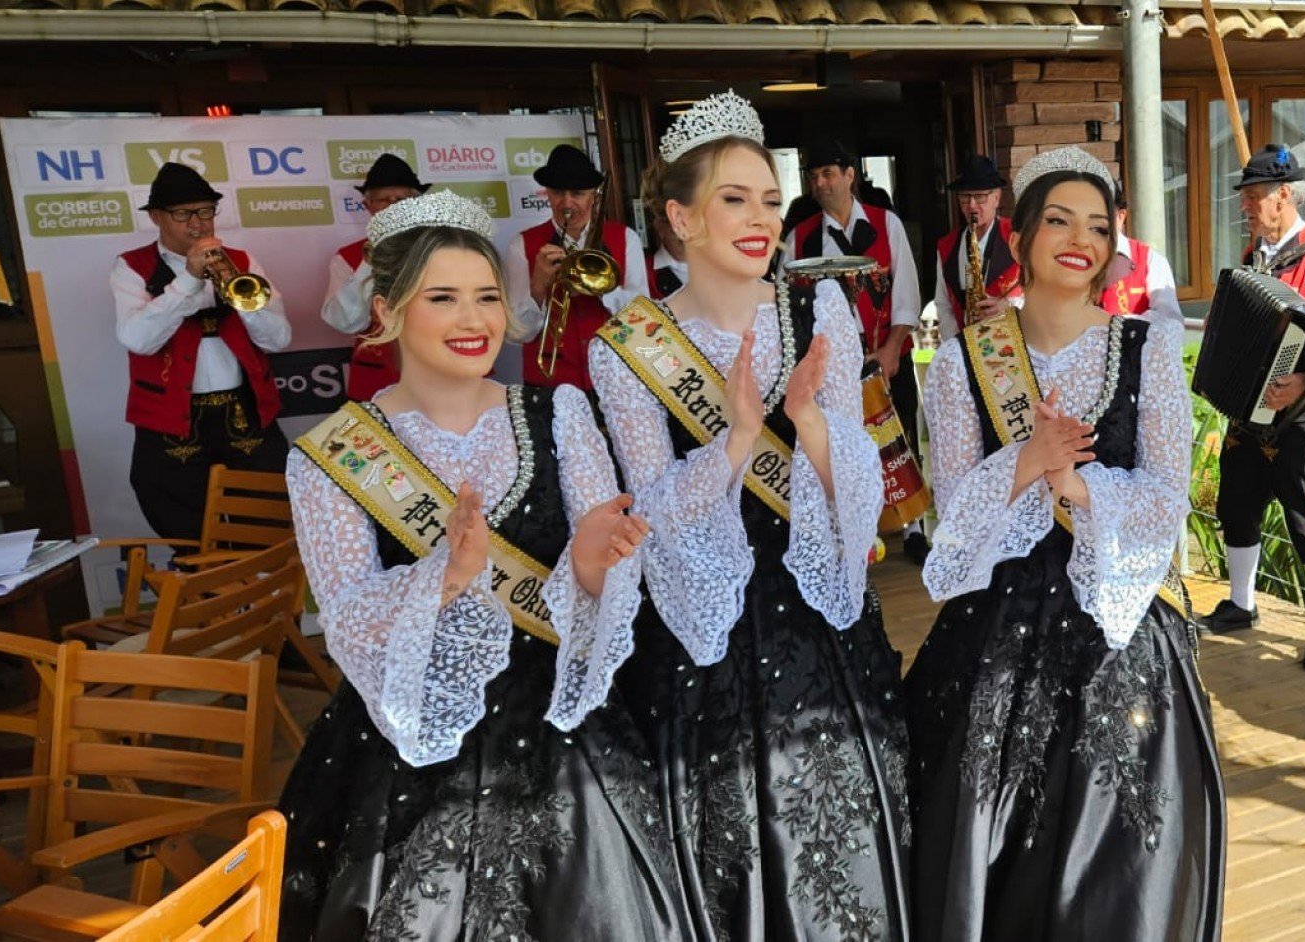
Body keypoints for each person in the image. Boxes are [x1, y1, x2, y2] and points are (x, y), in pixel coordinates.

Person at [276, 190, 696, 940]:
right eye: (444, 298)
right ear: (389, 310)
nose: (473, 321)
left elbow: (592, 587)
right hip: (410, 741)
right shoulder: (331, 457)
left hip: (562, 726)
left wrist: (597, 563)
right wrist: (445, 578)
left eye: (487, 298)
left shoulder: (558, 414)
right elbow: (343, 617)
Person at [592, 91, 911, 939]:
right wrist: (735, 443)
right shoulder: (627, 344)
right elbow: (652, 511)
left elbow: (862, 491)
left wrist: (807, 424)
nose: (760, 218)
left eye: (771, 200)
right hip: (702, 629)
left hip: (818, 616)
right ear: (681, 217)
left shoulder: (821, 311)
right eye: (734, 199)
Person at [907, 145, 1225, 941]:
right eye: (1057, 219)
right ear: (1017, 237)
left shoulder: (1147, 350)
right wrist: (1026, 464)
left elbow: (1165, 497)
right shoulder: (959, 363)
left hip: (1114, 625)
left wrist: (1078, 485)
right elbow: (952, 516)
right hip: (991, 632)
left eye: (1096, 224)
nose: (1078, 239)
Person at [1198, 144, 1305, 663]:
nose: (1245, 207)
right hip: (1249, 410)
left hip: (1302, 410)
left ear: (1284, 195)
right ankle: (1241, 603)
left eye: (1253, 197)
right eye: (1246, 198)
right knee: (1237, 502)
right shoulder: (1255, 258)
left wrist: (1302, 380)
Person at [113, 161, 290, 542]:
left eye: (206, 211)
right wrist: (189, 280)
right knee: (185, 526)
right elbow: (138, 339)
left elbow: (278, 340)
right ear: (157, 217)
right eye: (183, 214)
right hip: (172, 420)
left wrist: (244, 302)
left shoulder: (242, 262)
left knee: (263, 521)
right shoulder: (130, 267)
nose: (198, 223)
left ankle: (263, 592)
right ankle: (208, 595)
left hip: (243, 411)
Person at [787, 139, 929, 563]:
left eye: (829, 173)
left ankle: (915, 526)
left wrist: (890, 349)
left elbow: (906, 291)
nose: (821, 183)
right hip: (828, 367)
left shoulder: (887, 225)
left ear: (850, 176)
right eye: (814, 177)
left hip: (883, 356)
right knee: (841, 449)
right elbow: (786, 301)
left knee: (898, 439)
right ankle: (855, 533)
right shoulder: (800, 237)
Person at [504, 143, 650, 389]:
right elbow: (517, 335)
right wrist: (538, 287)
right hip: (549, 383)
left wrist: (602, 287)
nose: (567, 202)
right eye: (558, 192)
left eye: (577, 193)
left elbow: (643, 321)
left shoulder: (625, 239)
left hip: (614, 380)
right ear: (547, 194)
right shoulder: (521, 245)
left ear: (594, 196)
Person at [322, 153, 427, 401]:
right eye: (383, 200)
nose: (393, 207)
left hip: (442, 375)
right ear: (368, 205)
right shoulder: (347, 257)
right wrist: (369, 263)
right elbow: (345, 323)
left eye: (401, 199)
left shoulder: (447, 247)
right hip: (378, 382)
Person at [930, 154, 1021, 335]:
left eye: (980, 197)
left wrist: (1010, 306)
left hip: (1013, 344)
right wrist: (958, 344)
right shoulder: (946, 246)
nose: (971, 205)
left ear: (997, 198)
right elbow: (943, 304)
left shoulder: (1019, 237)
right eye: (965, 197)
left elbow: (1042, 291)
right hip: (966, 344)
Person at [1101, 176, 1183, 322]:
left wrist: (1115, 326)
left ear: (1120, 217)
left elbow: (1170, 321)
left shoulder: (1151, 261)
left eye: (1101, 214)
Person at [642, 163, 689, 298]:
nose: (683, 229)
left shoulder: (732, 266)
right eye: (673, 220)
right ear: (658, 225)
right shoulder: (644, 274)